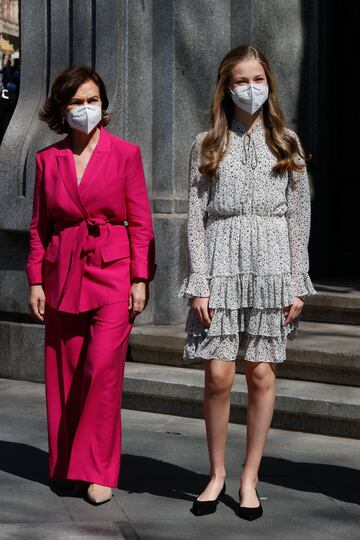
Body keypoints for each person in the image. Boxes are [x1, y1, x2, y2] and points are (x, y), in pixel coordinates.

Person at [179, 45, 316, 520]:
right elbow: (195, 216)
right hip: (219, 259)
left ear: (269, 84)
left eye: (258, 78)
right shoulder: (206, 143)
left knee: (260, 373)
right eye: (241, 79)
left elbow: (300, 216)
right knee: (218, 374)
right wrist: (200, 280)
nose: (250, 87)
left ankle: (249, 477)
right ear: (226, 86)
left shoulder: (287, 142)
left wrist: (297, 280)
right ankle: (215, 474)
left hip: (273, 263)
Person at [26, 65, 156, 505]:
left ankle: (98, 470)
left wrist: (141, 277)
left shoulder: (125, 154)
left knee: (101, 370)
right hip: (62, 274)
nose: (87, 109)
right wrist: (34, 280)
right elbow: (39, 226)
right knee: (64, 371)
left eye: (93, 100)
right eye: (78, 102)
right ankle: (67, 464)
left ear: (104, 105)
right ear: (62, 110)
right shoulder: (48, 160)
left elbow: (140, 222)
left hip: (114, 273)